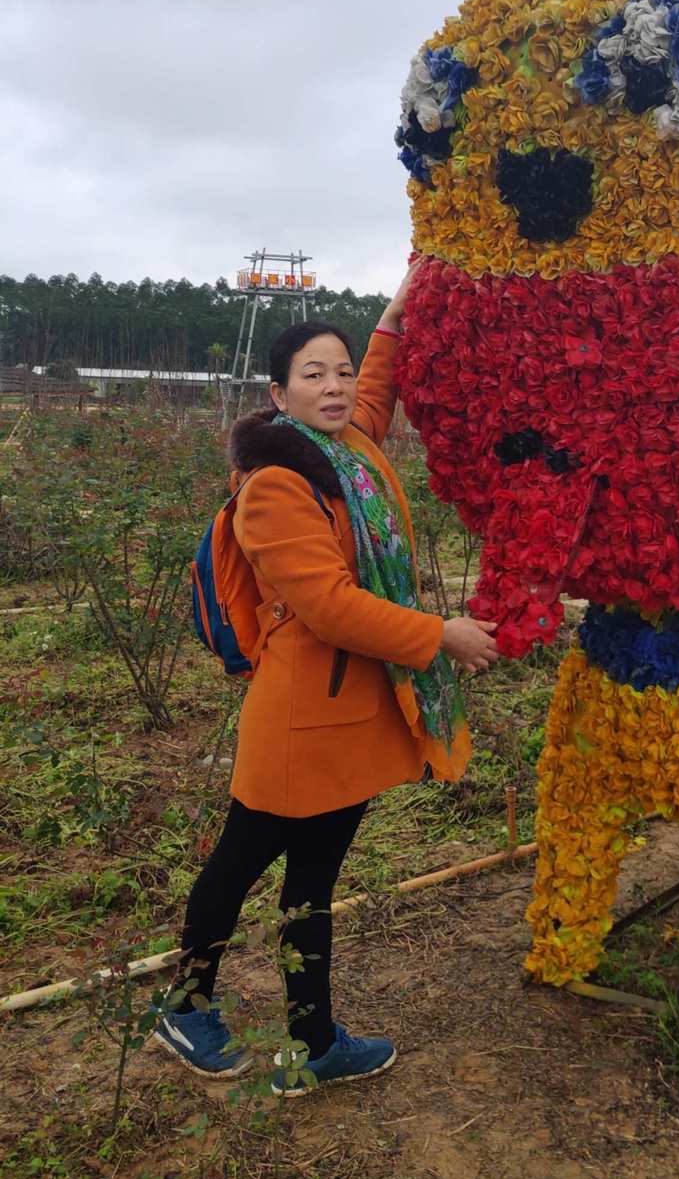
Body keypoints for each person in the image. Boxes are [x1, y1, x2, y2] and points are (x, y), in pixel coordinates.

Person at [154, 265, 498, 1094]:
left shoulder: (352, 448)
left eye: (340, 372)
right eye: (314, 375)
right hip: (299, 721)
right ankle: (186, 1005)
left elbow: (380, 379)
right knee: (239, 864)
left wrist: (400, 304)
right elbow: (329, 606)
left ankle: (311, 1041)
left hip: (352, 717)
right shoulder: (276, 485)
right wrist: (439, 636)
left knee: (313, 882)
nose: (336, 386)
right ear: (279, 393)